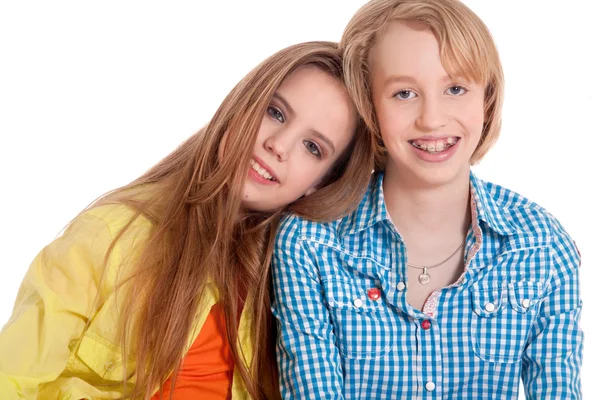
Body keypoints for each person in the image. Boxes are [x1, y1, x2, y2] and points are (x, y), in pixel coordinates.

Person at [0, 41, 374, 400]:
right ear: (241, 106)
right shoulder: (111, 235)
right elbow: (11, 380)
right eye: (275, 112)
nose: (278, 144)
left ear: (320, 183)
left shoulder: (296, 282)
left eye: (313, 147)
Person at [272, 1, 583, 399]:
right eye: (404, 93)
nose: (432, 119)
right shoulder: (310, 242)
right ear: (370, 107)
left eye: (455, 89)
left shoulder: (543, 246)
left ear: (486, 100)